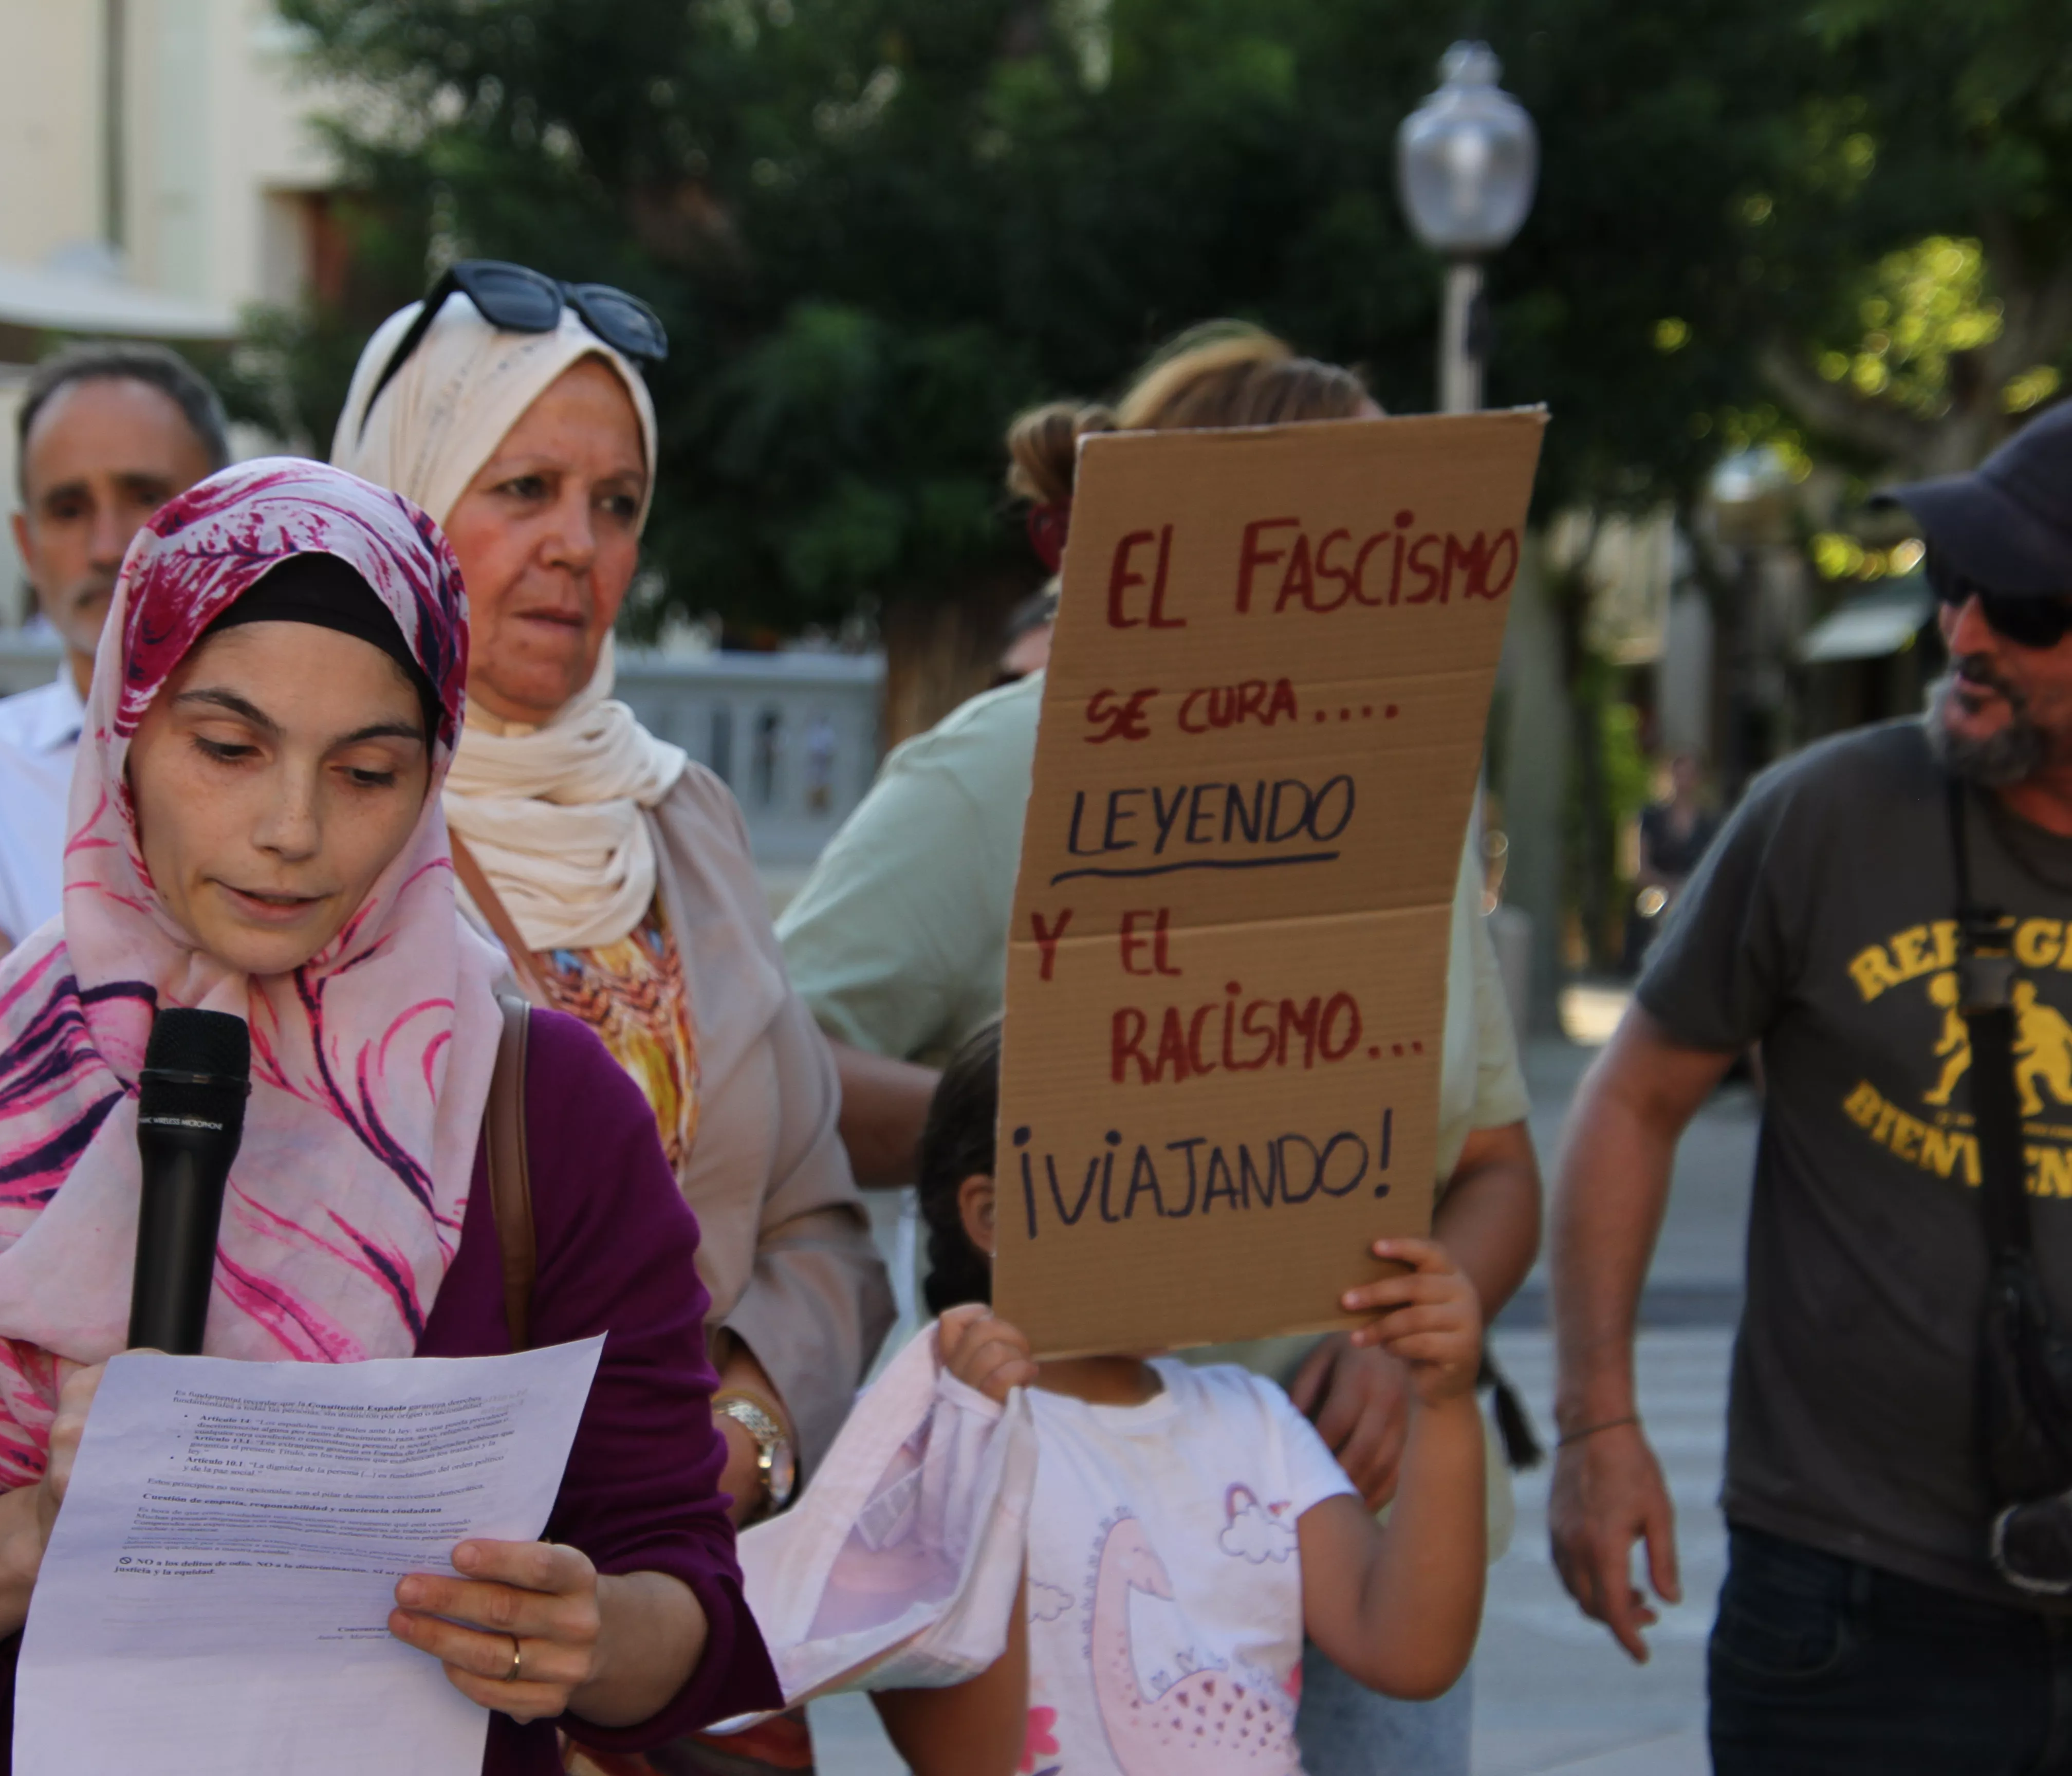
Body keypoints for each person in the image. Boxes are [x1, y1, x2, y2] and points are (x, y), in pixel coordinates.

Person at [0, 457, 778, 1772]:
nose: (291, 828)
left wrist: (584, 1633)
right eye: (227, 748)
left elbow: (692, 1604)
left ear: (430, 781)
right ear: (124, 731)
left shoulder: (540, 1109)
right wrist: (47, 1527)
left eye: (367, 769)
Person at [774, 322, 1541, 1776]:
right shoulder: (996, 776)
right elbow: (782, 1061)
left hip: (1361, 1538)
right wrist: (1061, 1133)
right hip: (1068, 1526)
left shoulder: (1407, 801)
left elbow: (1497, 1164)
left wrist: (1415, 1355)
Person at [1548, 402, 2072, 1773]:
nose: (1965, 634)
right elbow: (1636, 1102)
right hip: (1852, 1610)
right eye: (1954, 583)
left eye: (2023, 602)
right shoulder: (1829, 816)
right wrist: (1598, 1426)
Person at [329, 265, 892, 1528]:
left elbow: (820, 1219)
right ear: (401, 496)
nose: (575, 545)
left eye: (616, 502)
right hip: (411, 1600)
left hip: (686, 1613)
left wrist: (741, 1437)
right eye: (522, 487)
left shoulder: (683, 821)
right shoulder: (317, 822)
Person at [868, 1023, 1489, 1775]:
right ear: (991, 1217)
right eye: (1140, 1173)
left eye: (1206, 1167)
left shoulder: (1258, 1422)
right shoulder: (928, 1443)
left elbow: (1409, 1650)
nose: (1187, 1209)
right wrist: (968, 1453)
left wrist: (1446, 1406)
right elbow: (963, 1758)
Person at [0, 342, 228, 1013]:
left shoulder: (319, 760)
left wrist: (33, 984)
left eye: (145, 496)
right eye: (68, 509)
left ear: (232, 520)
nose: (107, 546)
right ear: (27, 546)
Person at [1623, 752, 1719, 970]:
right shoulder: (1648, 817)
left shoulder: (1709, 822)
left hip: (1694, 898)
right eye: (1678, 774)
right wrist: (1670, 888)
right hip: (1655, 898)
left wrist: (1688, 890)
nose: (1683, 781)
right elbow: (1639, 868)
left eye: (1690, 775)